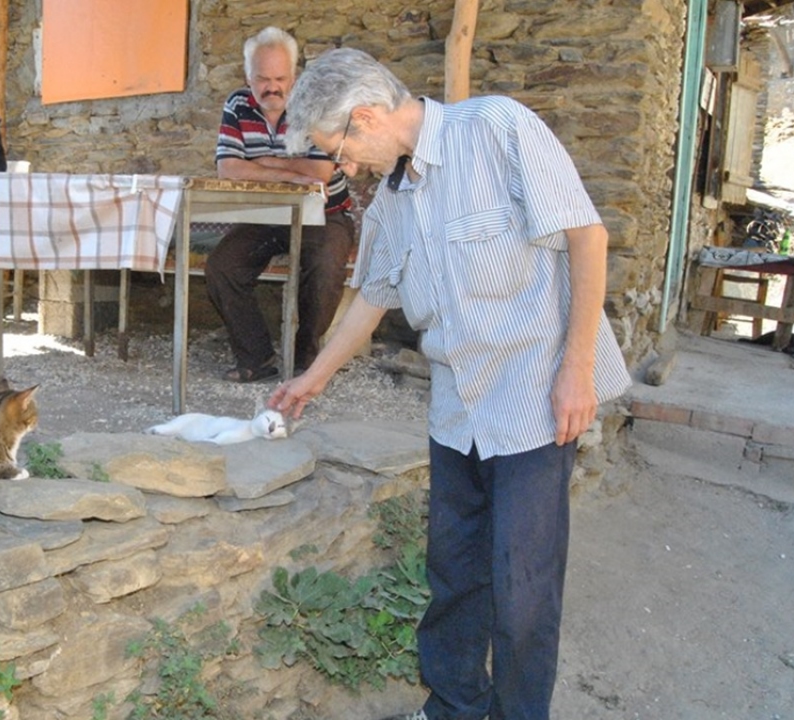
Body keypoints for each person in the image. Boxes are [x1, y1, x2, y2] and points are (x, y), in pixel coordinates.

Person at [270, 48, 631, 720]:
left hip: (532, 402)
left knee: (524, 593)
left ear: (367, 118)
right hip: (455, 412)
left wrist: (576, 368)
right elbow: (369, 303)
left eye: (338, 152)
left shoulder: (496, 129)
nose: (344, 169)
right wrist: (309, 380)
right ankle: (453, 708)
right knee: (455, 579)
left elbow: (588, 237)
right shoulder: (390, 204)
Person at [207, 26, 356, 382]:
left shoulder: (316, 104)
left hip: (325, 213)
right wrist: (291, 171)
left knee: (324, 268)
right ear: (248, 76)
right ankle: (256, 358)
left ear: (294, 75)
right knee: (222, 268)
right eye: (262, 78)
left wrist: (261, 165)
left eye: (280, 77)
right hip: (265, 213)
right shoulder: (237, 104)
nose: (271, 87)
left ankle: (306, 359)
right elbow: (228, 168)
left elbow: (320, 172)